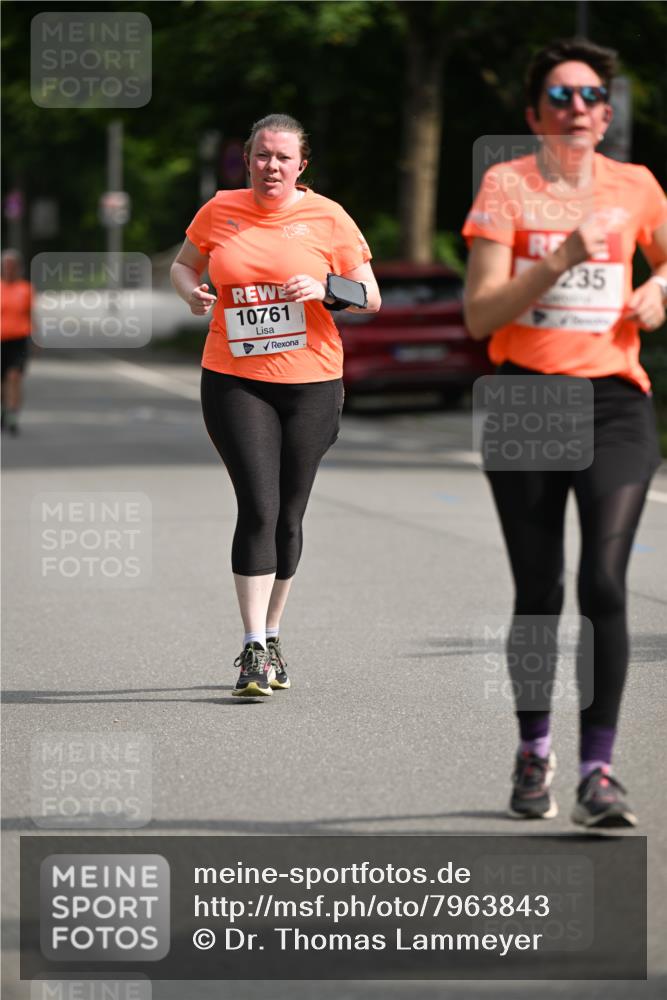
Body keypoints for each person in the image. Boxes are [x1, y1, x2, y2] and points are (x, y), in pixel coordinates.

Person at [463, 38, 667, 827]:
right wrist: (557, 262)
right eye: (558, 96)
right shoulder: (506, 186)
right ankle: (532, 749)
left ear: (605, 114)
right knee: (540, 589)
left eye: (587, 96)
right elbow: (480, 315)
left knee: (605, 584)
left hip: (614, 400)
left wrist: (661, 288)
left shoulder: (637, 186)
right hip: (525, 400)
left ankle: (597, 772)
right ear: (533, 116)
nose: (574, 107)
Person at [171, 113, 380, 697]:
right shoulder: (219, 210)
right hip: (236, 378)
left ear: (301, 165)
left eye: (283, 158)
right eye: (262, 156)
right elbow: (183, 265)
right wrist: (193, 293)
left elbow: (371, 295)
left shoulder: (328, 216)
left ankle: (274, 630)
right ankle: (252, 648)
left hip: (313, 380)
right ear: (248, 159)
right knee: (258, 507)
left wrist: (325, 288)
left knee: (290, 514)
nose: (272, 167)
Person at [1, 249, 33, 435]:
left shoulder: (26, 289)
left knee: (14, 377)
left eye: (13, 266)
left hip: (18, 341)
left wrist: (36, 339)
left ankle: (13, 415)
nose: (10, 269)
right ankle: (3, 410)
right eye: (6, 266)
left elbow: (31, 315)